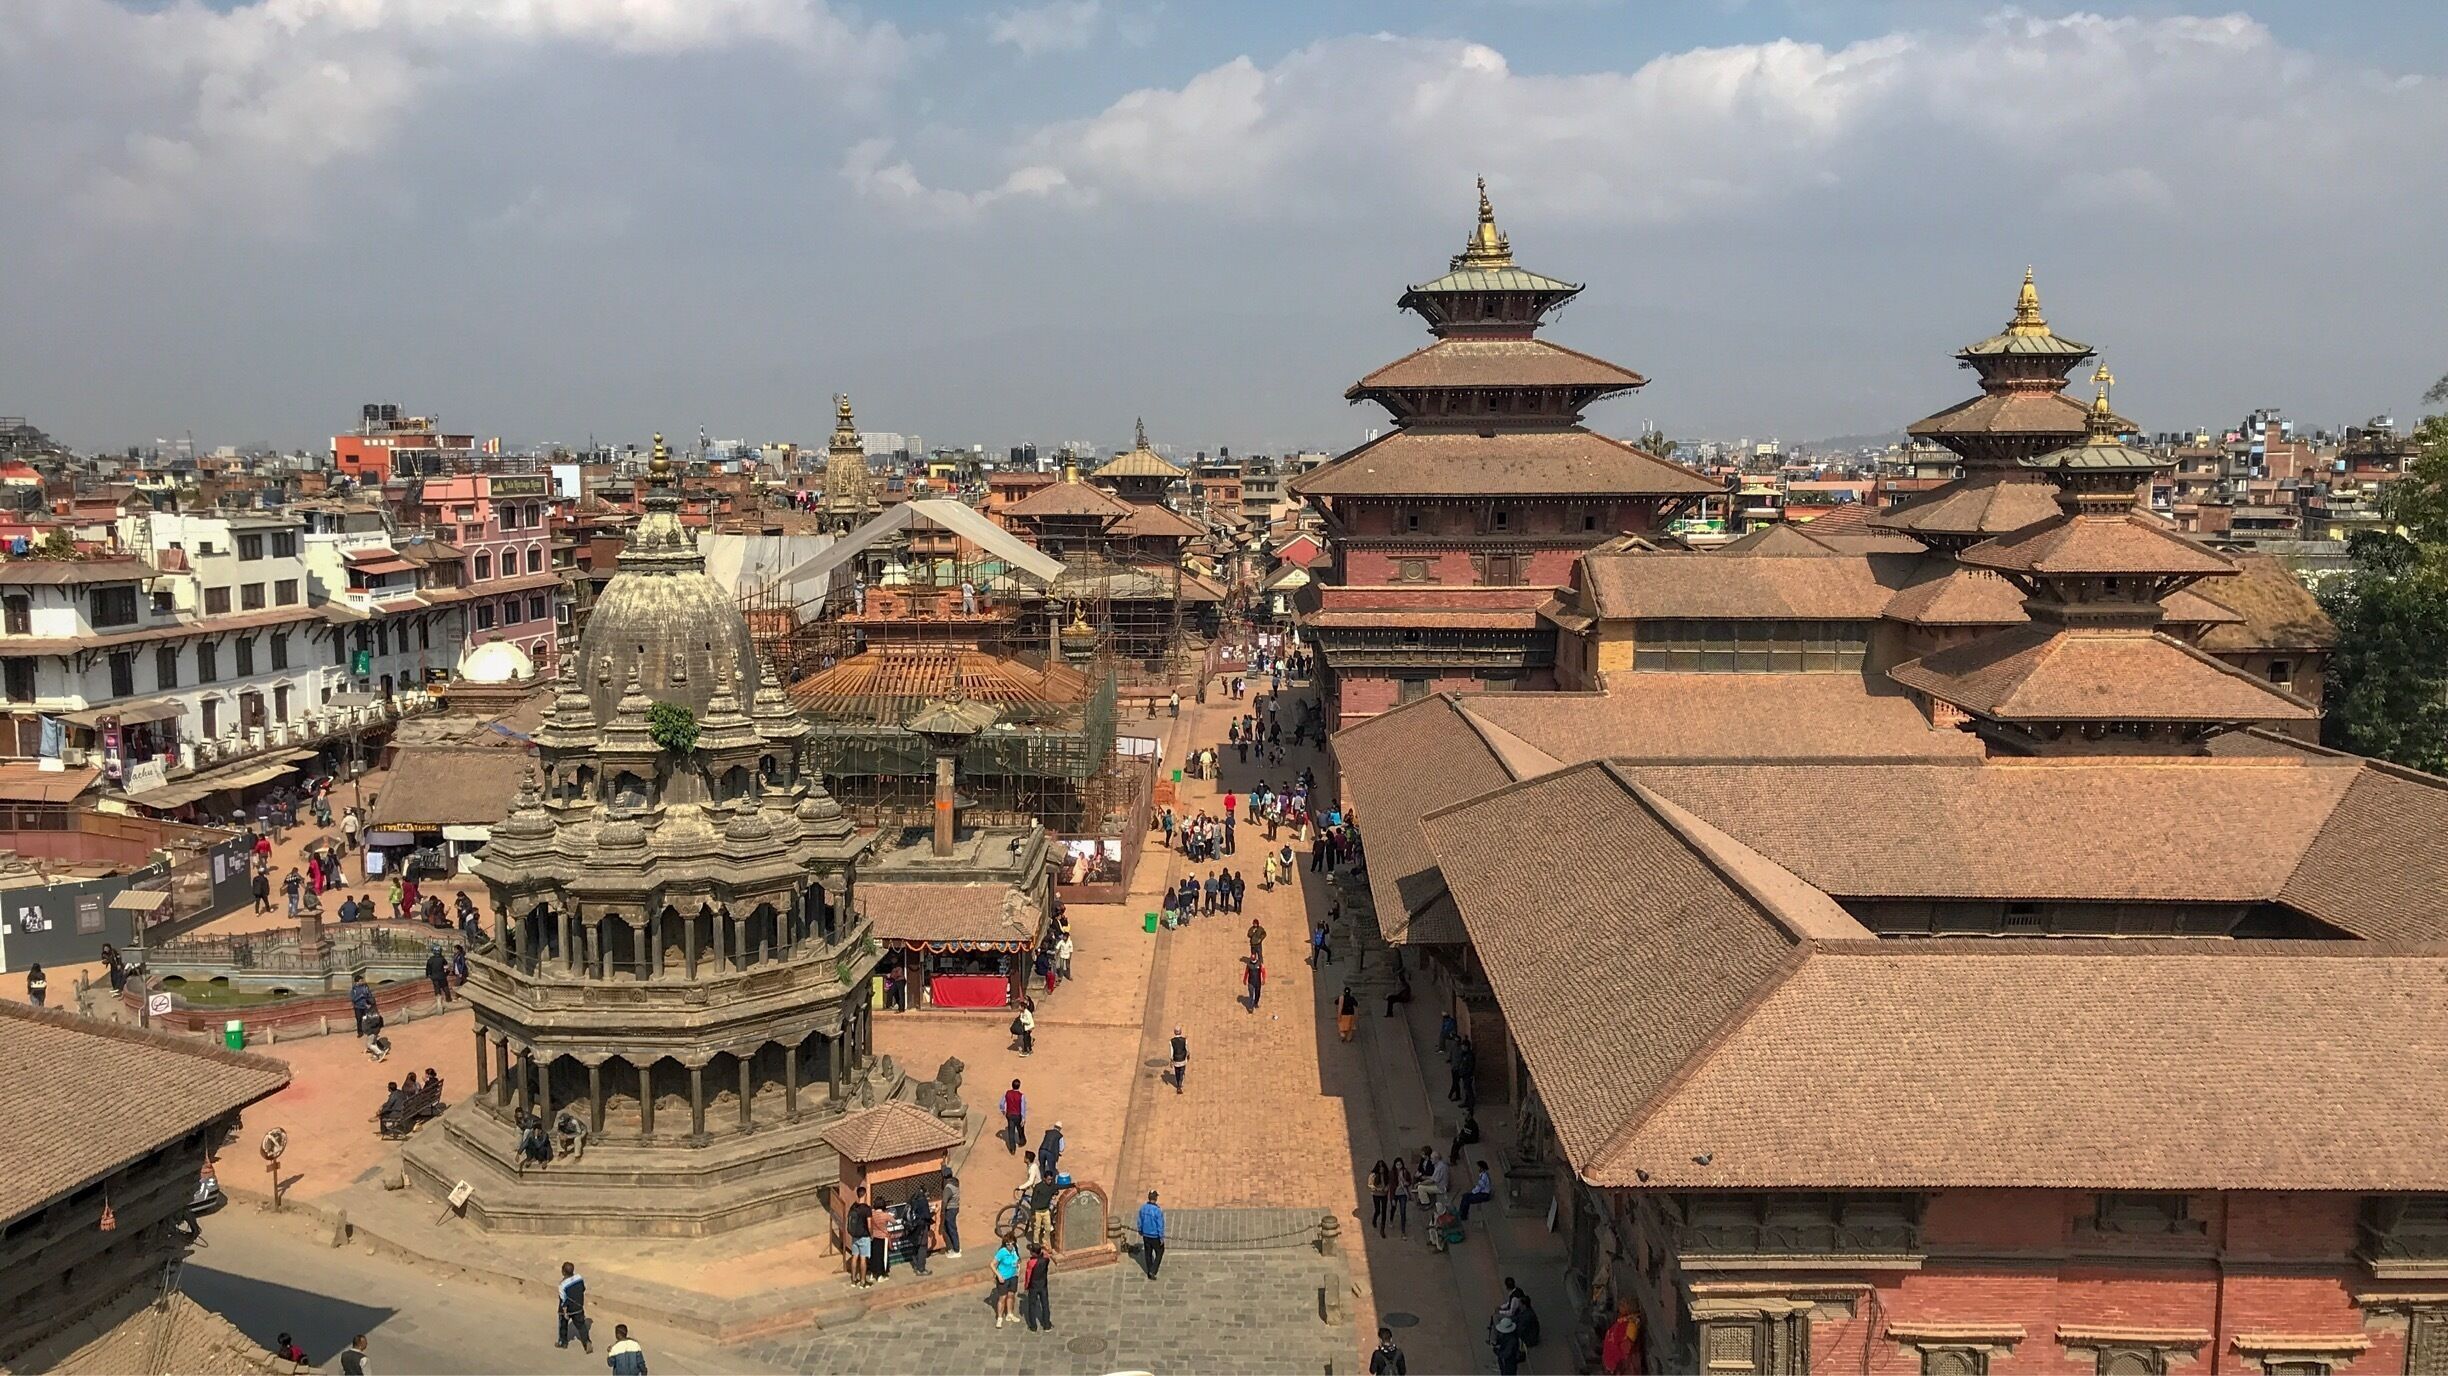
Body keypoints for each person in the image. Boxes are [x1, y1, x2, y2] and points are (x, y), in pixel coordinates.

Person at [556, 1261, 593, 1353]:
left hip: (568, 1309)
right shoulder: (579, 1278)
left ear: (563, 1272)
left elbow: (563, 1300)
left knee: (563, 1325)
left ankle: (563, 1342)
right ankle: (587, 1342)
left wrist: (565, 1312)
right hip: (578, 1306)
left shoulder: (562, 1285)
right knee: (581, 1326)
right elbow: (583, 1288)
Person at [1602, 1298, 1643, 1374]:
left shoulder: (1624, 1324)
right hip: (1613, 1364)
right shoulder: (1625, 1324)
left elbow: (1626, 1347)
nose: (1620, 1305)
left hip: (1612, 1363)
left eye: (1623, 1304)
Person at [1020, 1241, 1053, 1332]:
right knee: (1045, 1305)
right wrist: (1044, 1248)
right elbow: (1048, 1254)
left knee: (1032, 1305)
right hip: (1043, 1285)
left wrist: (1026, 1286)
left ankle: (1033, 1326)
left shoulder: (1031, 1263)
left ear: (1034, 1253)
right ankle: (1047, 1325)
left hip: (1033, 1287)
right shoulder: (1046, 1259)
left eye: (1031, 1251)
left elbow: (1028, 1276)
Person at [845, 1187, 873, 1287]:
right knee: (863, 1259)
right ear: (865, 1195)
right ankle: (863, 1281)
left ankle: (853, 1280)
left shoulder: (853, 1207)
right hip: (864, 1236)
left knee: (854, 1257)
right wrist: (871, 1234)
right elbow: (869, 1225)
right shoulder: (867, 1209)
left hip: (855, 1236)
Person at [991, 1235, 1022, 1327]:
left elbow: (1018, 1260)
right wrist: (998, 1275)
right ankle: (999, 1317)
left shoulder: (1015, 1249)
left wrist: (1018, 1269)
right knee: (1002, 1297)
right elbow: (992, 1264)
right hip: (1003, 1278)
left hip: (1013, 1276)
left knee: (1011, 1295)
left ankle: (1010, 1313)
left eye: (1012, 1243)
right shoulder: (1002, 1252)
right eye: (1008, 1244)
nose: (1010, 1245)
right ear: (1005, 1244)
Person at [1136, 1190, 1165, 1278]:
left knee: (1148, 1253)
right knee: (1160, 1252)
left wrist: (1140, 1230)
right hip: (1155, 1235)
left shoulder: (1143, 1208)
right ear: (1155, 1198)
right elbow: (1160, 1225)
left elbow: (1139, 1221)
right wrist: (1161, 1237)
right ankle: (1153, 1270)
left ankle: (1149, 1270)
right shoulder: (1157, 1211)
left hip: (1146, 1234)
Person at [906, 1186, 935, 1276]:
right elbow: (927, 1215)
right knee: (923, 1247)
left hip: (913, 1226)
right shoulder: (923, 1200)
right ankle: (921, 1269)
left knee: (916, 1246)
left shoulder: (913, 1199)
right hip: (921, 1226)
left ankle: (916, 1265)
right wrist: (933, 1212)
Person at [866, 1188, 892, 1282]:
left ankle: (872, 1274)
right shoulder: (885, 1215)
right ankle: (881, 1275)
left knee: (874, 1256)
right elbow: (894, 1221)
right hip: (883, 1237)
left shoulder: (872, 1214)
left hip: (873, 1237)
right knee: (882, 1257)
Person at [940, 1171, 962, 1258]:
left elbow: (944, 1201)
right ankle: (956, 1247)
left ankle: (956, 1250)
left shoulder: (948, 1188)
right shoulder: (955, 1183)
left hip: (950, 1210)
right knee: (952, 1228)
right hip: (955, 1207)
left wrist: (942, 1211)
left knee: (951, 1229)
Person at [1002, 1080, 1026, 1154]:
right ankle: (1022, 1141)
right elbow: (1023, 1108)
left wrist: (1003, 1110)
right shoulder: (1021, 1096)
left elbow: (1001, 1103)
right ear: (1019, 1086)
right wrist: (1023, 1118)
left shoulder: (1007, 1093)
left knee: (1011, 1131)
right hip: (1018, 1115)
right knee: (1020, 1129)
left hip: (1009, 1115)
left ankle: (1012, 1149)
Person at [1368, 1159, 1391, 1235]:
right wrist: (1377, 1189)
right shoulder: (1373, 1175)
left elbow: (1389, 1183)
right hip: (1376, 1195)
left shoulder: (1387, 1174)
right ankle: (1374, 1220)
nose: (1381, 1169)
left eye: (1382, 1167)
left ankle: (1382, 1229)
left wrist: (1387, 1187)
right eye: (1380, 1167)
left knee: (1384, 1211)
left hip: (1384, 1195)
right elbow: (1370, 1184)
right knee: (1377, 1210)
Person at [1169, 1026, 1189, 1094]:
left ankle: (1178, 1085)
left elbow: (1171, 1052)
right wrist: (1188, 1055)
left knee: (1177, 1072)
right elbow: (1187, 1049)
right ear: (1181, 1032)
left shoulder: (1171, 1041)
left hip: (1176, 1060)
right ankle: (1179, 1085)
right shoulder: (1184, 1040)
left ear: (1174, 1032)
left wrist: (1171, 1060)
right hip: (1183, 1059)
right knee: (1182, 1072)